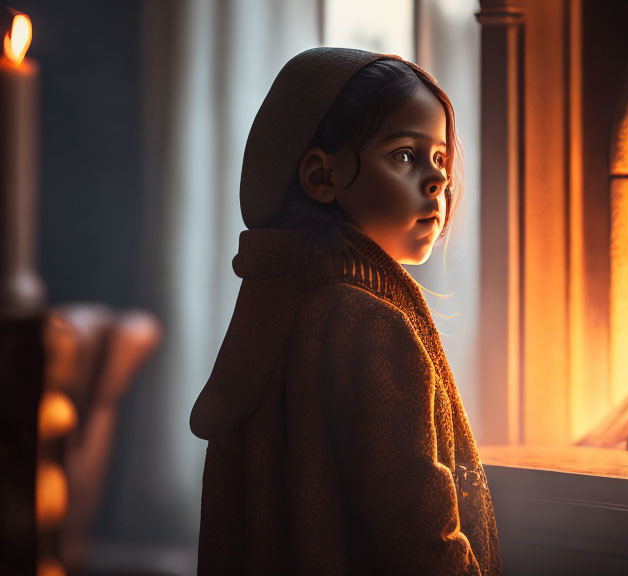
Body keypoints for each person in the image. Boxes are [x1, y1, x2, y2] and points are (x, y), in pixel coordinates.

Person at [189, 47, 502, 575]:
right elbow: (418, 530)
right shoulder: (372, 325)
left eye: (441, 159)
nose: (437, 182)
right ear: (321, 177)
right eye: (405, 154)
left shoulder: (278, 297)